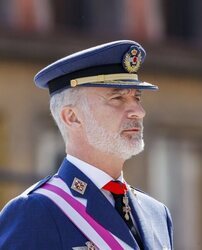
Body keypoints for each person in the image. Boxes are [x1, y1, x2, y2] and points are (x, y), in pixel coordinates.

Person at [0, 40, 173, 250]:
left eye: (137, 97)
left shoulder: (156, 213)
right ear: (72, 117)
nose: (138, 111)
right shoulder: (37, 210)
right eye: (117, 98)